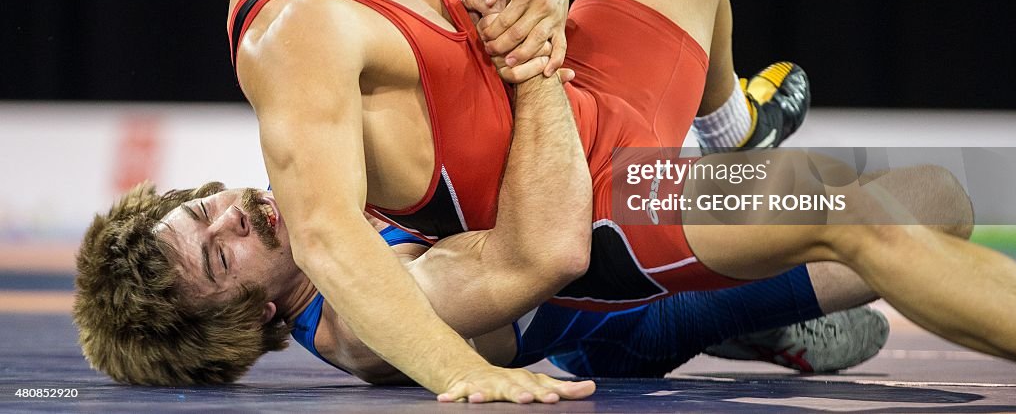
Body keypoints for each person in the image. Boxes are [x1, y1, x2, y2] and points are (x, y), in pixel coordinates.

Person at [205, 0, 1016, 402]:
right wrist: (457, 370)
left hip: (585, 86)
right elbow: (327, 235)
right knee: (883, 209)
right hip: (605, 191)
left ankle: (730, 125)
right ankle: (737, 263)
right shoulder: (294, 31)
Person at [74, 179, 890, 387]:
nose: (232, 219)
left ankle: (755, 313)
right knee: (909, 224)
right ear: (246, 314)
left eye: (203, 210)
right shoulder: (365, 323)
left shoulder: (307, 203)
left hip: (613, 253)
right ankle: (747, 313)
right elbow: (549, 249)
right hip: (646, 304)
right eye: (218, 256)